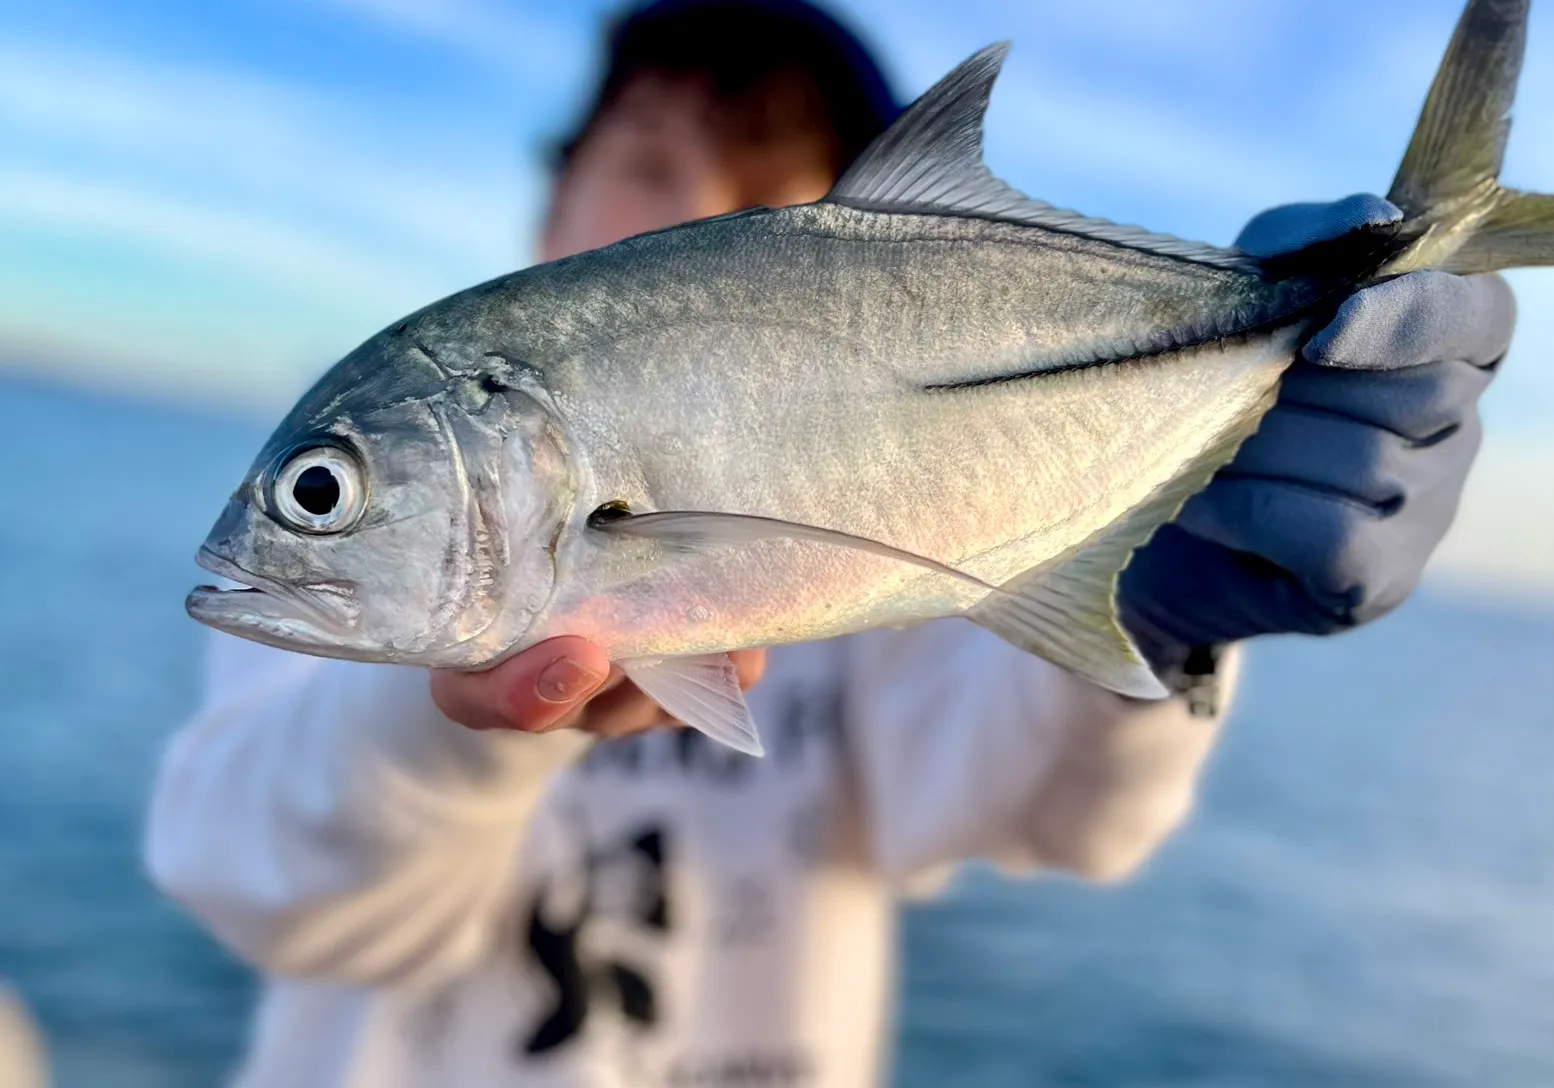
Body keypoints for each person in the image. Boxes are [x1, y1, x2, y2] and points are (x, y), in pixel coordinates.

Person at [145, 1, 1516, 1085]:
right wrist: (447, 727)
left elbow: (1046, 815)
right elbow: (270, 892)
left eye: (757, 192)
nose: (696, 221)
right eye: (650, 166)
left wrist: (1167, 620)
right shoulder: (325, 642)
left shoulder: (900, 577)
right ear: (552, 203)